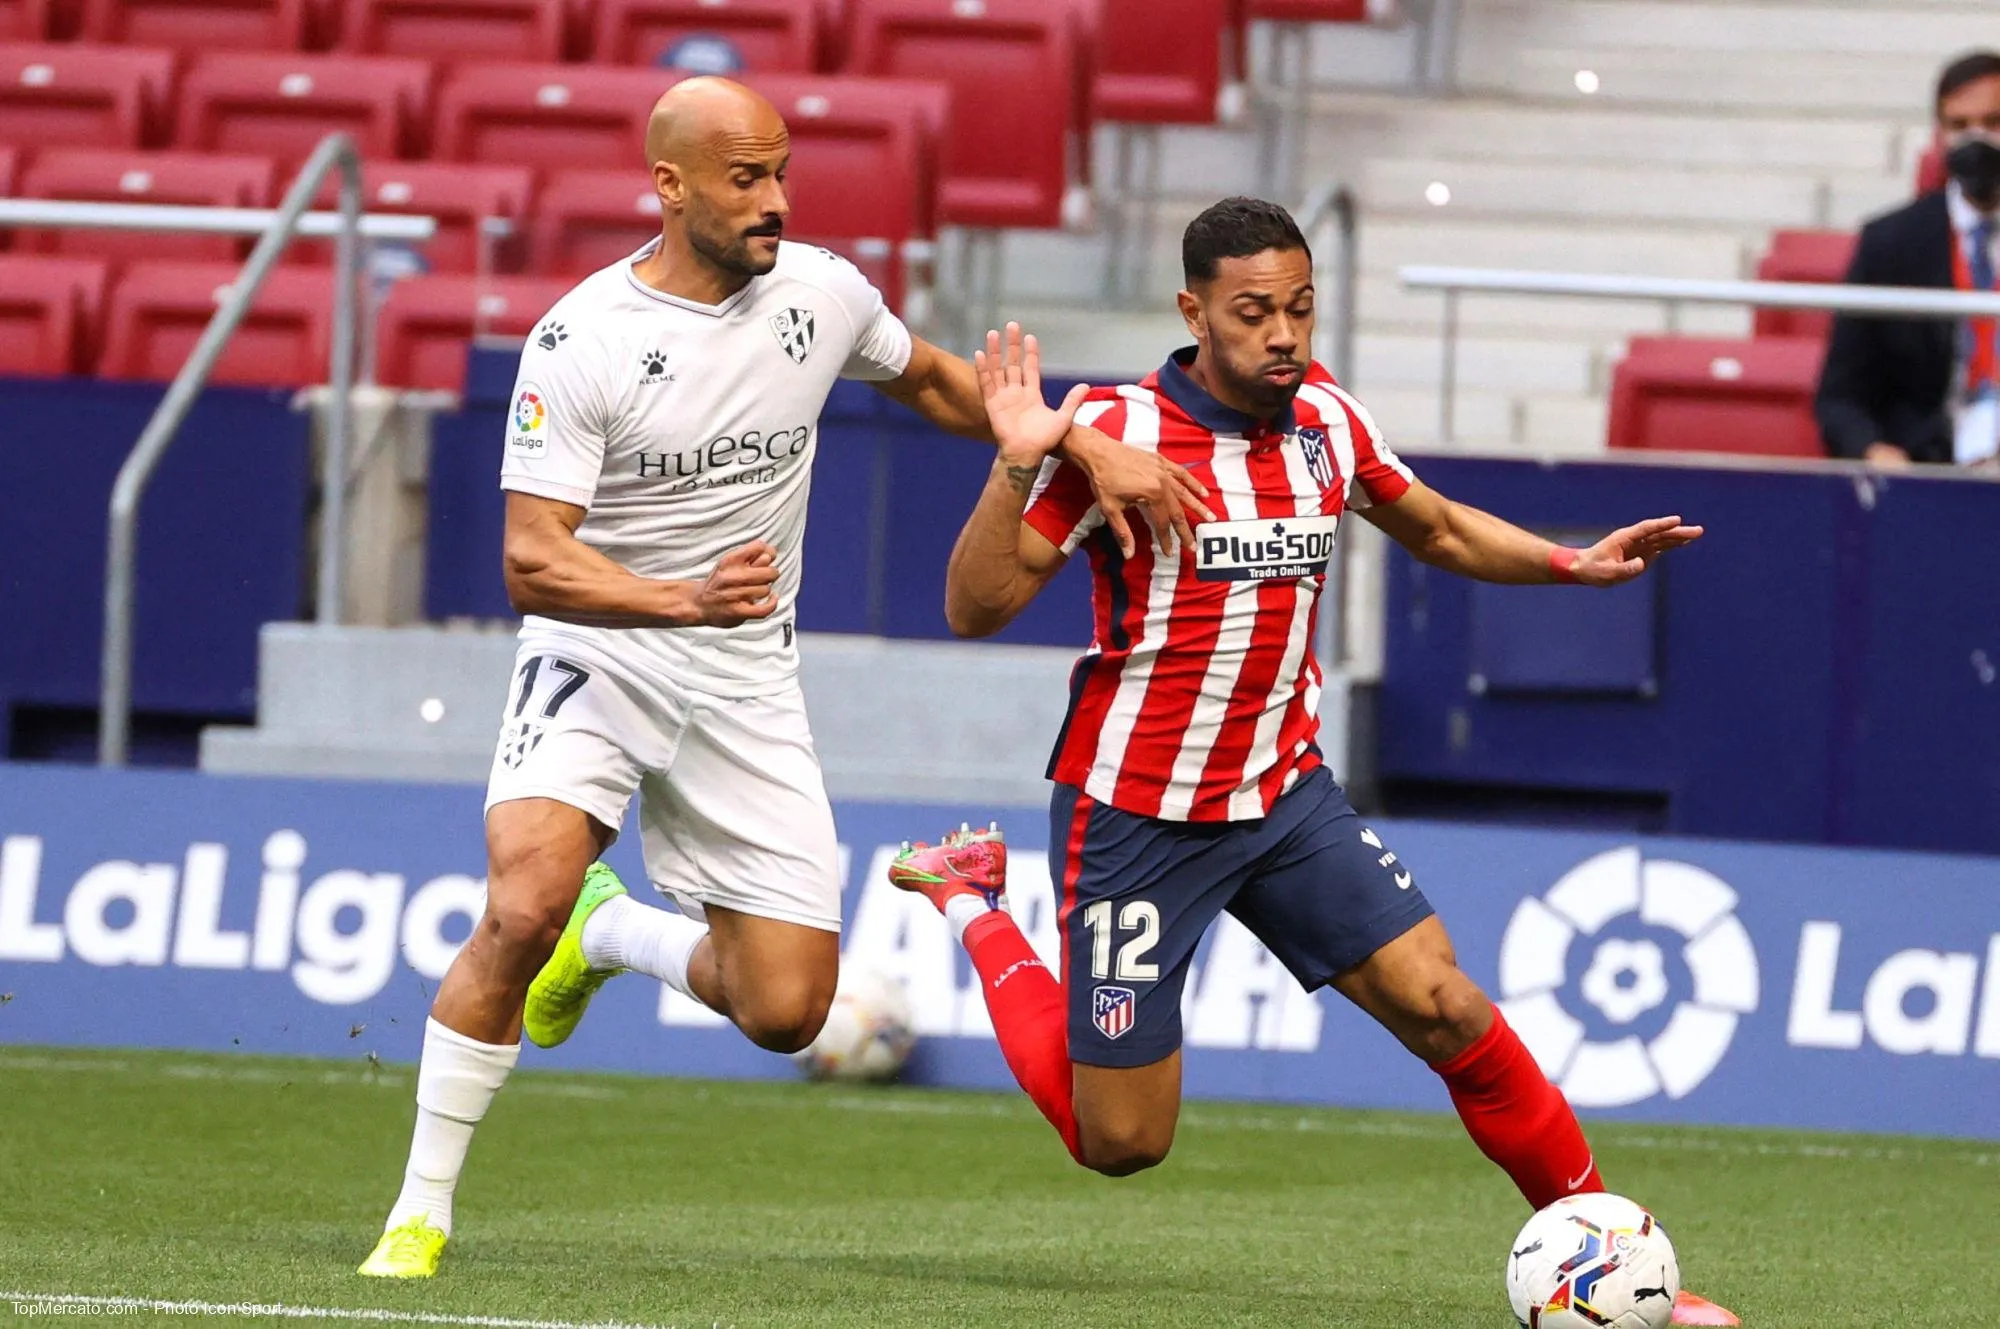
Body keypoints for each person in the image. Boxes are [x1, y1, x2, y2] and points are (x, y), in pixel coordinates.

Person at [356, 75, 1205, 1279]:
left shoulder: (820, 291)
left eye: (781, 172)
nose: (775, 201)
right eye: (746, 179)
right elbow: (533, 562)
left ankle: (609, 941)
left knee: (784, 1011)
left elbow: (929, 380)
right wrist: (674, 597)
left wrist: (1073, 435)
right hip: (602, 648)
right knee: (521, 899)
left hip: (744, 676)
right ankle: (418, 1216)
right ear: (669, 186)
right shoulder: (581, 341)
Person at [890, 197, 1738, 1327]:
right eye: (1253, 313)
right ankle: (971, 904)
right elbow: (972, 604)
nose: (1282, 334)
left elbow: (1431, 525)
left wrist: (1565, 564)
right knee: (1121, 1143)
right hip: (1136, 812)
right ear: (1192, 312)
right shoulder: (1105, 430)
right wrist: (1019, 460)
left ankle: (1623, 1271)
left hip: (1283, 796)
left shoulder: (1325, 420)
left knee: (1444, 1005)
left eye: (1297, 307)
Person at [1818, 49, 2000, 468]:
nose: (1976, 139)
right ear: (1939, 135)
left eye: (1993, 123)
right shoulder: (1891, 242)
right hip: (1928, 468)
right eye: (1960, 125)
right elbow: (1840, 398)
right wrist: (1876, 452)